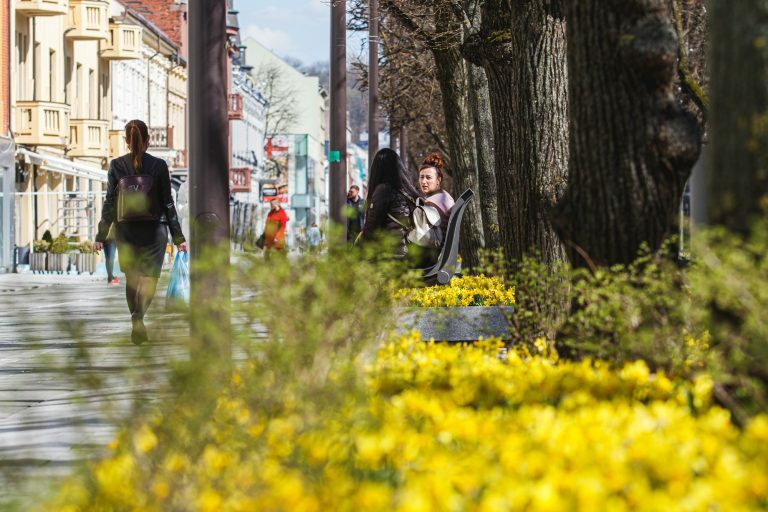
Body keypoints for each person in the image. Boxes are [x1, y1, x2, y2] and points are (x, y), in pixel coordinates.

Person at [94, 119, 187, 345]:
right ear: (148, 140)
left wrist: (101, 234)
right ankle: (139, 315)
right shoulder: (159, 166)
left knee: (132, 279)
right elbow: (167, 203)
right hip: (155, 230)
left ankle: (135, 317)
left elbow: (109, 203)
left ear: (126, 141)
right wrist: (178, 237)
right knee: (149, 279)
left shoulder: (116, 166)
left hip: (126, 231)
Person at [359, 148, 420, 260]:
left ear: (378, 170)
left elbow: (371, 229)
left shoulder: (384, 190)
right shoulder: (408, 192)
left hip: (391, 255)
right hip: (409, 252)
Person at [418, 151, 455, 245]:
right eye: (421, 177)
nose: (423, 181)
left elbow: (423, 237)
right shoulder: (445, 197)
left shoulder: (431, 203)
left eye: (428, 177)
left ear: (438, 180)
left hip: (433, 254)